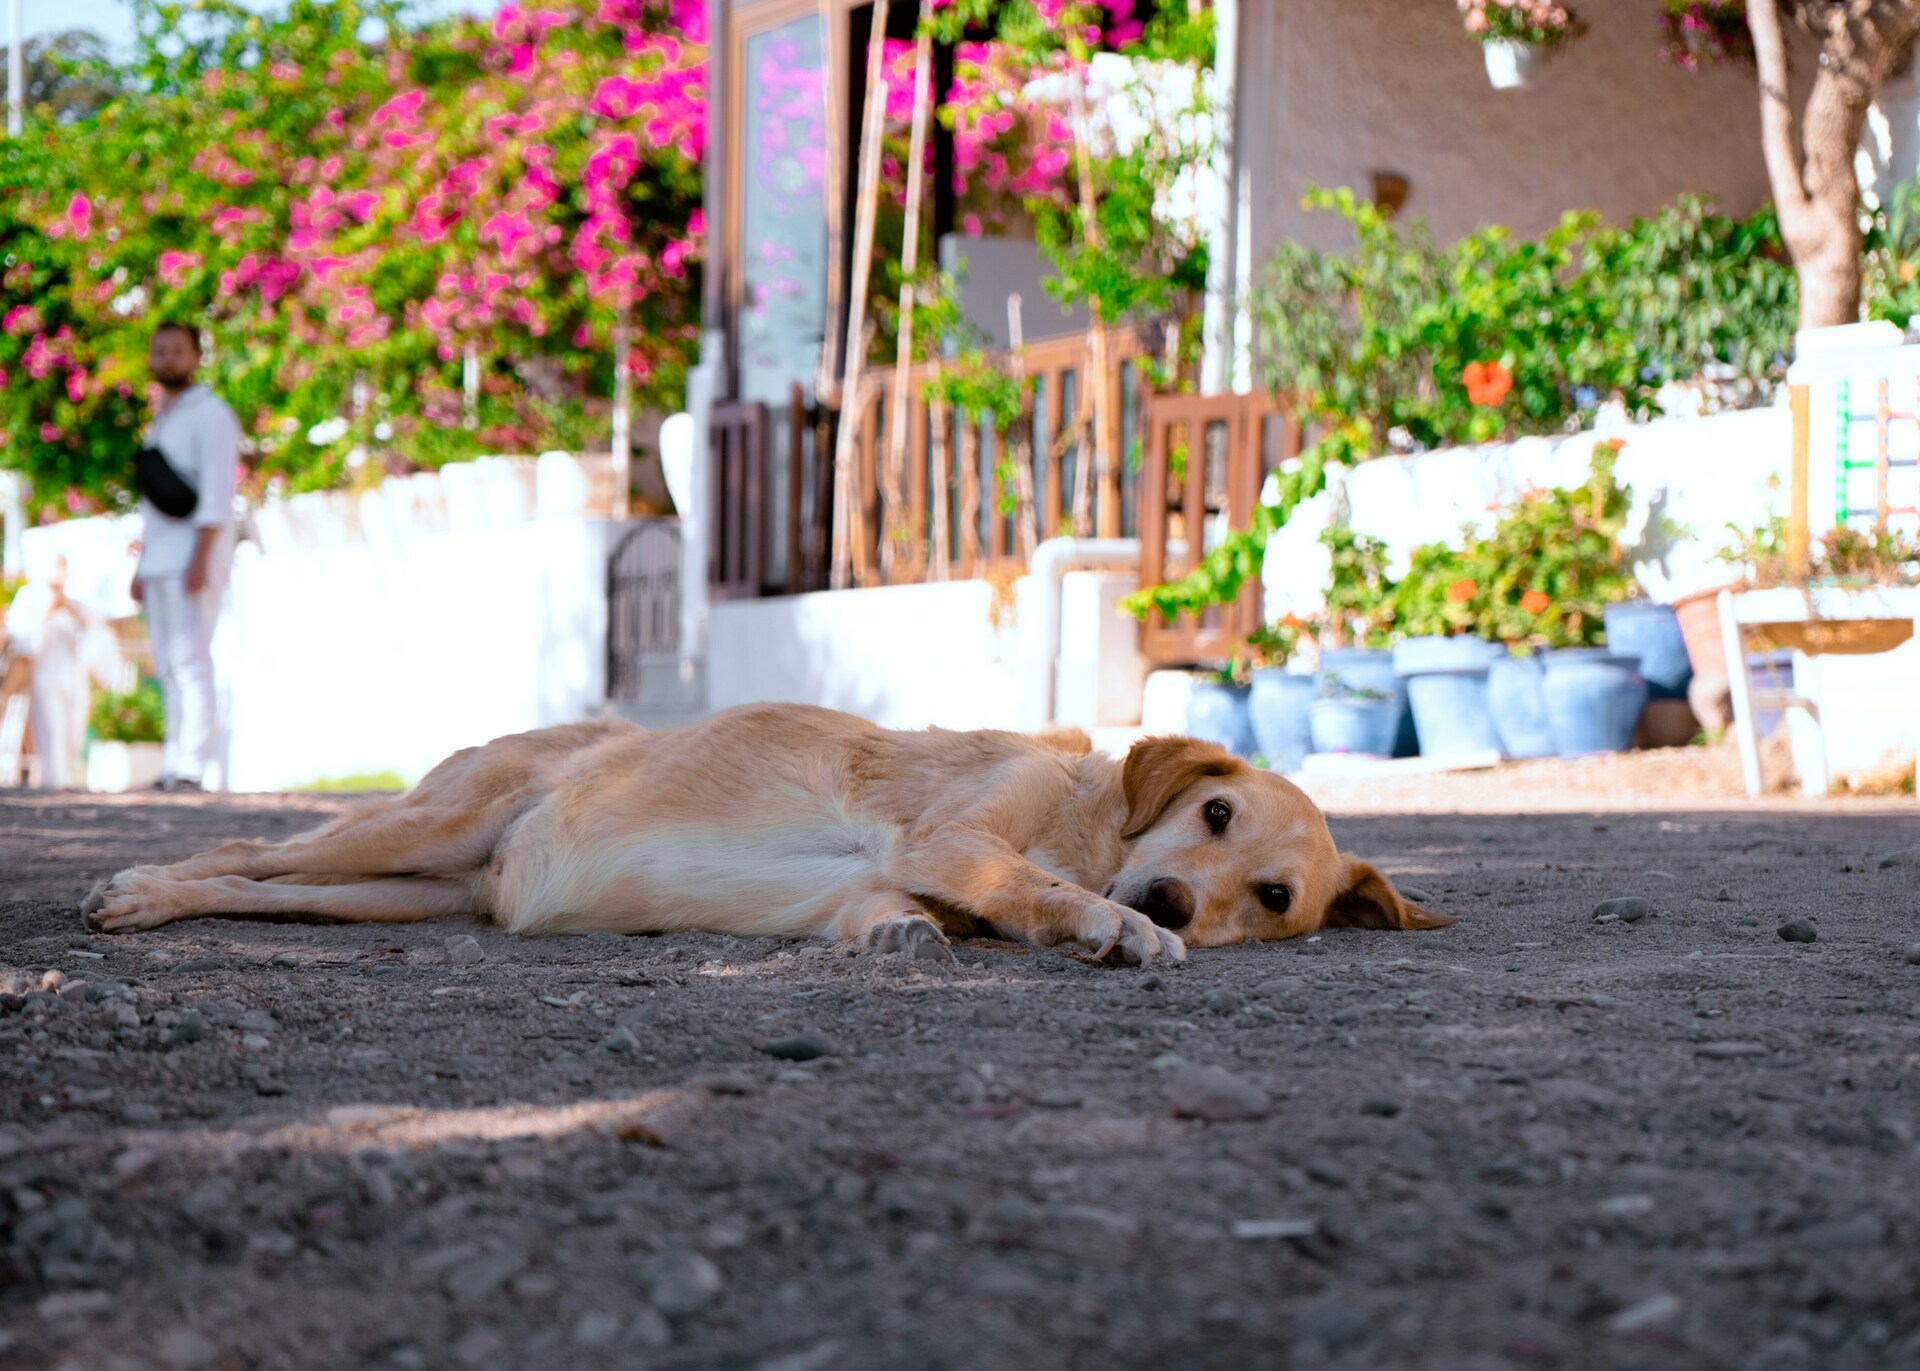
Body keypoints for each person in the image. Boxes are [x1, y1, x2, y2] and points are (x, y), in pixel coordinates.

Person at [133, 322, 239, 792]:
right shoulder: (163, 418)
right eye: (160, 351)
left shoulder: (211, 413)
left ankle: (193, 766)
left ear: (196, 357)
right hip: (160, 558)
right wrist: (142, 564)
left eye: (177, 351)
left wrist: (201, 557)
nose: (167, 359)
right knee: (168, 664)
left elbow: (217, 492)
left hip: (193, 556)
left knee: (191, 659)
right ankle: (174, 758)